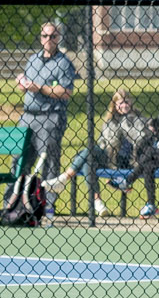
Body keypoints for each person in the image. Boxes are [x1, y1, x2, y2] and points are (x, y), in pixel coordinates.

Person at [42, 87, 149, 217]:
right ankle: (97, 201)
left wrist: (125, 127)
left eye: (126, 102)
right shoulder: (110, 121)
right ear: (115, 105)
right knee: (89, 160)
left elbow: (140, 139)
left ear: (131, 102)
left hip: (127, 160)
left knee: (90, 154)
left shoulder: (137, 119)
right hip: (108, 156)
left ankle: (64, 179)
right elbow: (103, 141)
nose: (124, 105)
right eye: (121, 102)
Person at [10, 21, 77, 216]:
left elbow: (65, 91)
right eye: (45, 36)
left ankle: (47, 205)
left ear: (58, 38)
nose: (49, 40)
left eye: (53, 36)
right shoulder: (33, 60)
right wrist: (22, 82)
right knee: (19, 160)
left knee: (49, 162)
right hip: (27, 116)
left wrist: (38, 87)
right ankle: (14, 202)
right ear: (40, 38)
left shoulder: (64, 63)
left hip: (50, 116)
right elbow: (27, 82)